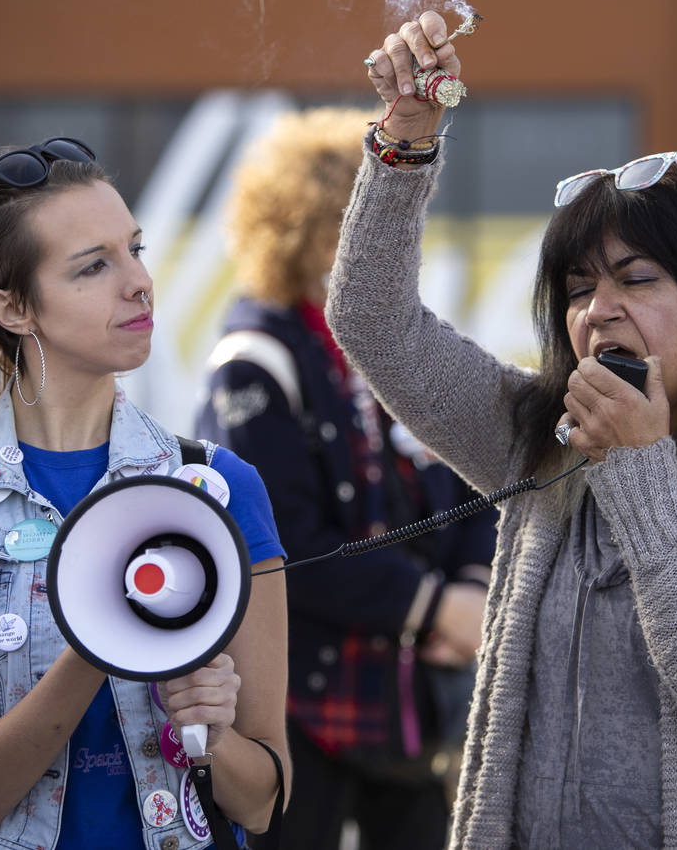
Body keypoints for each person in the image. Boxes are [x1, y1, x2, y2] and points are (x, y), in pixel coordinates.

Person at [325, 11, 677, 849]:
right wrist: (405, 141)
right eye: (578, 288)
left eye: (636, 279)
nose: (599, 309)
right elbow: (371, 320)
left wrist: (642, 465)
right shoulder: (538, 434)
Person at [0, 137, 290, 850]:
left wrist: (212, 737)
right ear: (14, 307)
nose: (138, 282)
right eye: (93, 266)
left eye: (135, 249)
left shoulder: (218, 486)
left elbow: (265, 799)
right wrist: (104, 630)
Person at [195, 106, 496, 850]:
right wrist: (434, 606)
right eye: (351, 221)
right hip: (301, 706)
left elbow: (474, 479)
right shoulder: (253, 361)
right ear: (300, 230)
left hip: (414, 700)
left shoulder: (391, 344)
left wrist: (477, 586)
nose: (375, 241)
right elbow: (285, 547)